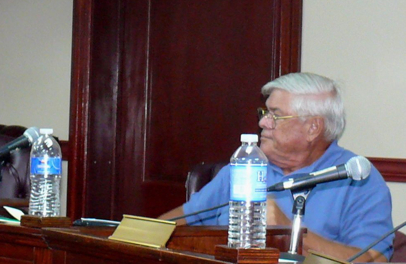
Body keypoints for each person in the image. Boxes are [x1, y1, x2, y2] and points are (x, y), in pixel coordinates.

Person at [159, 73, 393, 262]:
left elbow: (371, 260)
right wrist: (135, 237)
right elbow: (183, 218)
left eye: (275, 116)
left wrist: (289, 232)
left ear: (313, 127)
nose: (262, 123)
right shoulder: (245, 168)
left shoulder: (357, 179)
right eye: (265, 113)